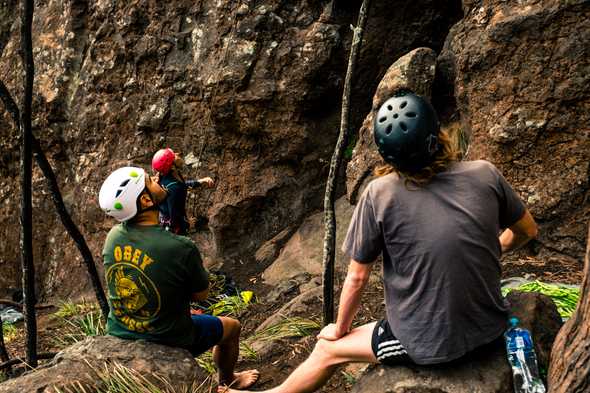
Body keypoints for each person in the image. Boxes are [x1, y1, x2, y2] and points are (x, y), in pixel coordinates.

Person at [222, 91, 538, 393]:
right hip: (490, 326)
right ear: (435, 132)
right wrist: (494, 248)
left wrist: (339, 329)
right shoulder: (485, 173)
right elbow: (527, 230)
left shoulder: (380, 194)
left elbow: (358, 277)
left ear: (387, 153)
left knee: (325, 350)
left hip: (430, 343)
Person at [99, 167, 259, 389]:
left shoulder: (113, 237)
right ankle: (228, 378)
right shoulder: (180, 247)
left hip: (120, 329)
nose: (156, 179)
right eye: (149, 180)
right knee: (232, 327)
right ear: (145, 200)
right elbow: (202, 295)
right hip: (170, 335)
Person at [152, 148, 215, 235]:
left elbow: (181, 185)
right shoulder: (174, 188)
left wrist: (199, 182)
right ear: (172, 166)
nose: (177, 154)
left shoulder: (166, 178)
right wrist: (187, 224)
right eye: (174, 156)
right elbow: (174, 216)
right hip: (174, 230)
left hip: (165, 224)